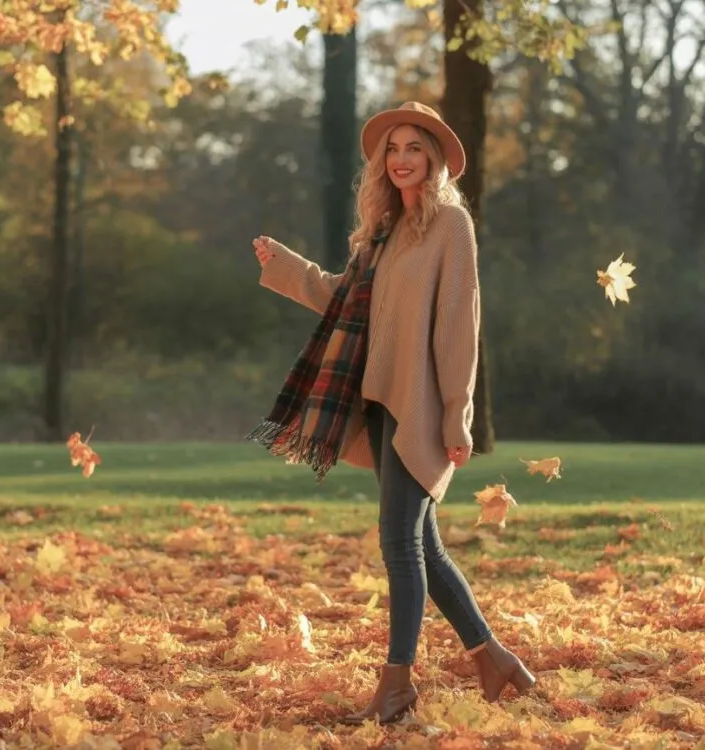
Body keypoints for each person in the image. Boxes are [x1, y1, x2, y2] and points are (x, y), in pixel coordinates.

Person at [247, 102, 535, 724]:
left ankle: (398, 685)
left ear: (433, 159)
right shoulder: (381, 231)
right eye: (393, 149)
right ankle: (495, 659)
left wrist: (457, 413)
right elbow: (341, 298)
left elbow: (460, 325)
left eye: (414, 148)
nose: (402, 159)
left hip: (422, 403)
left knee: (399, 542)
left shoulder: (451, 226)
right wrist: (286, 266)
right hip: (377, 399)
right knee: (422, 546)